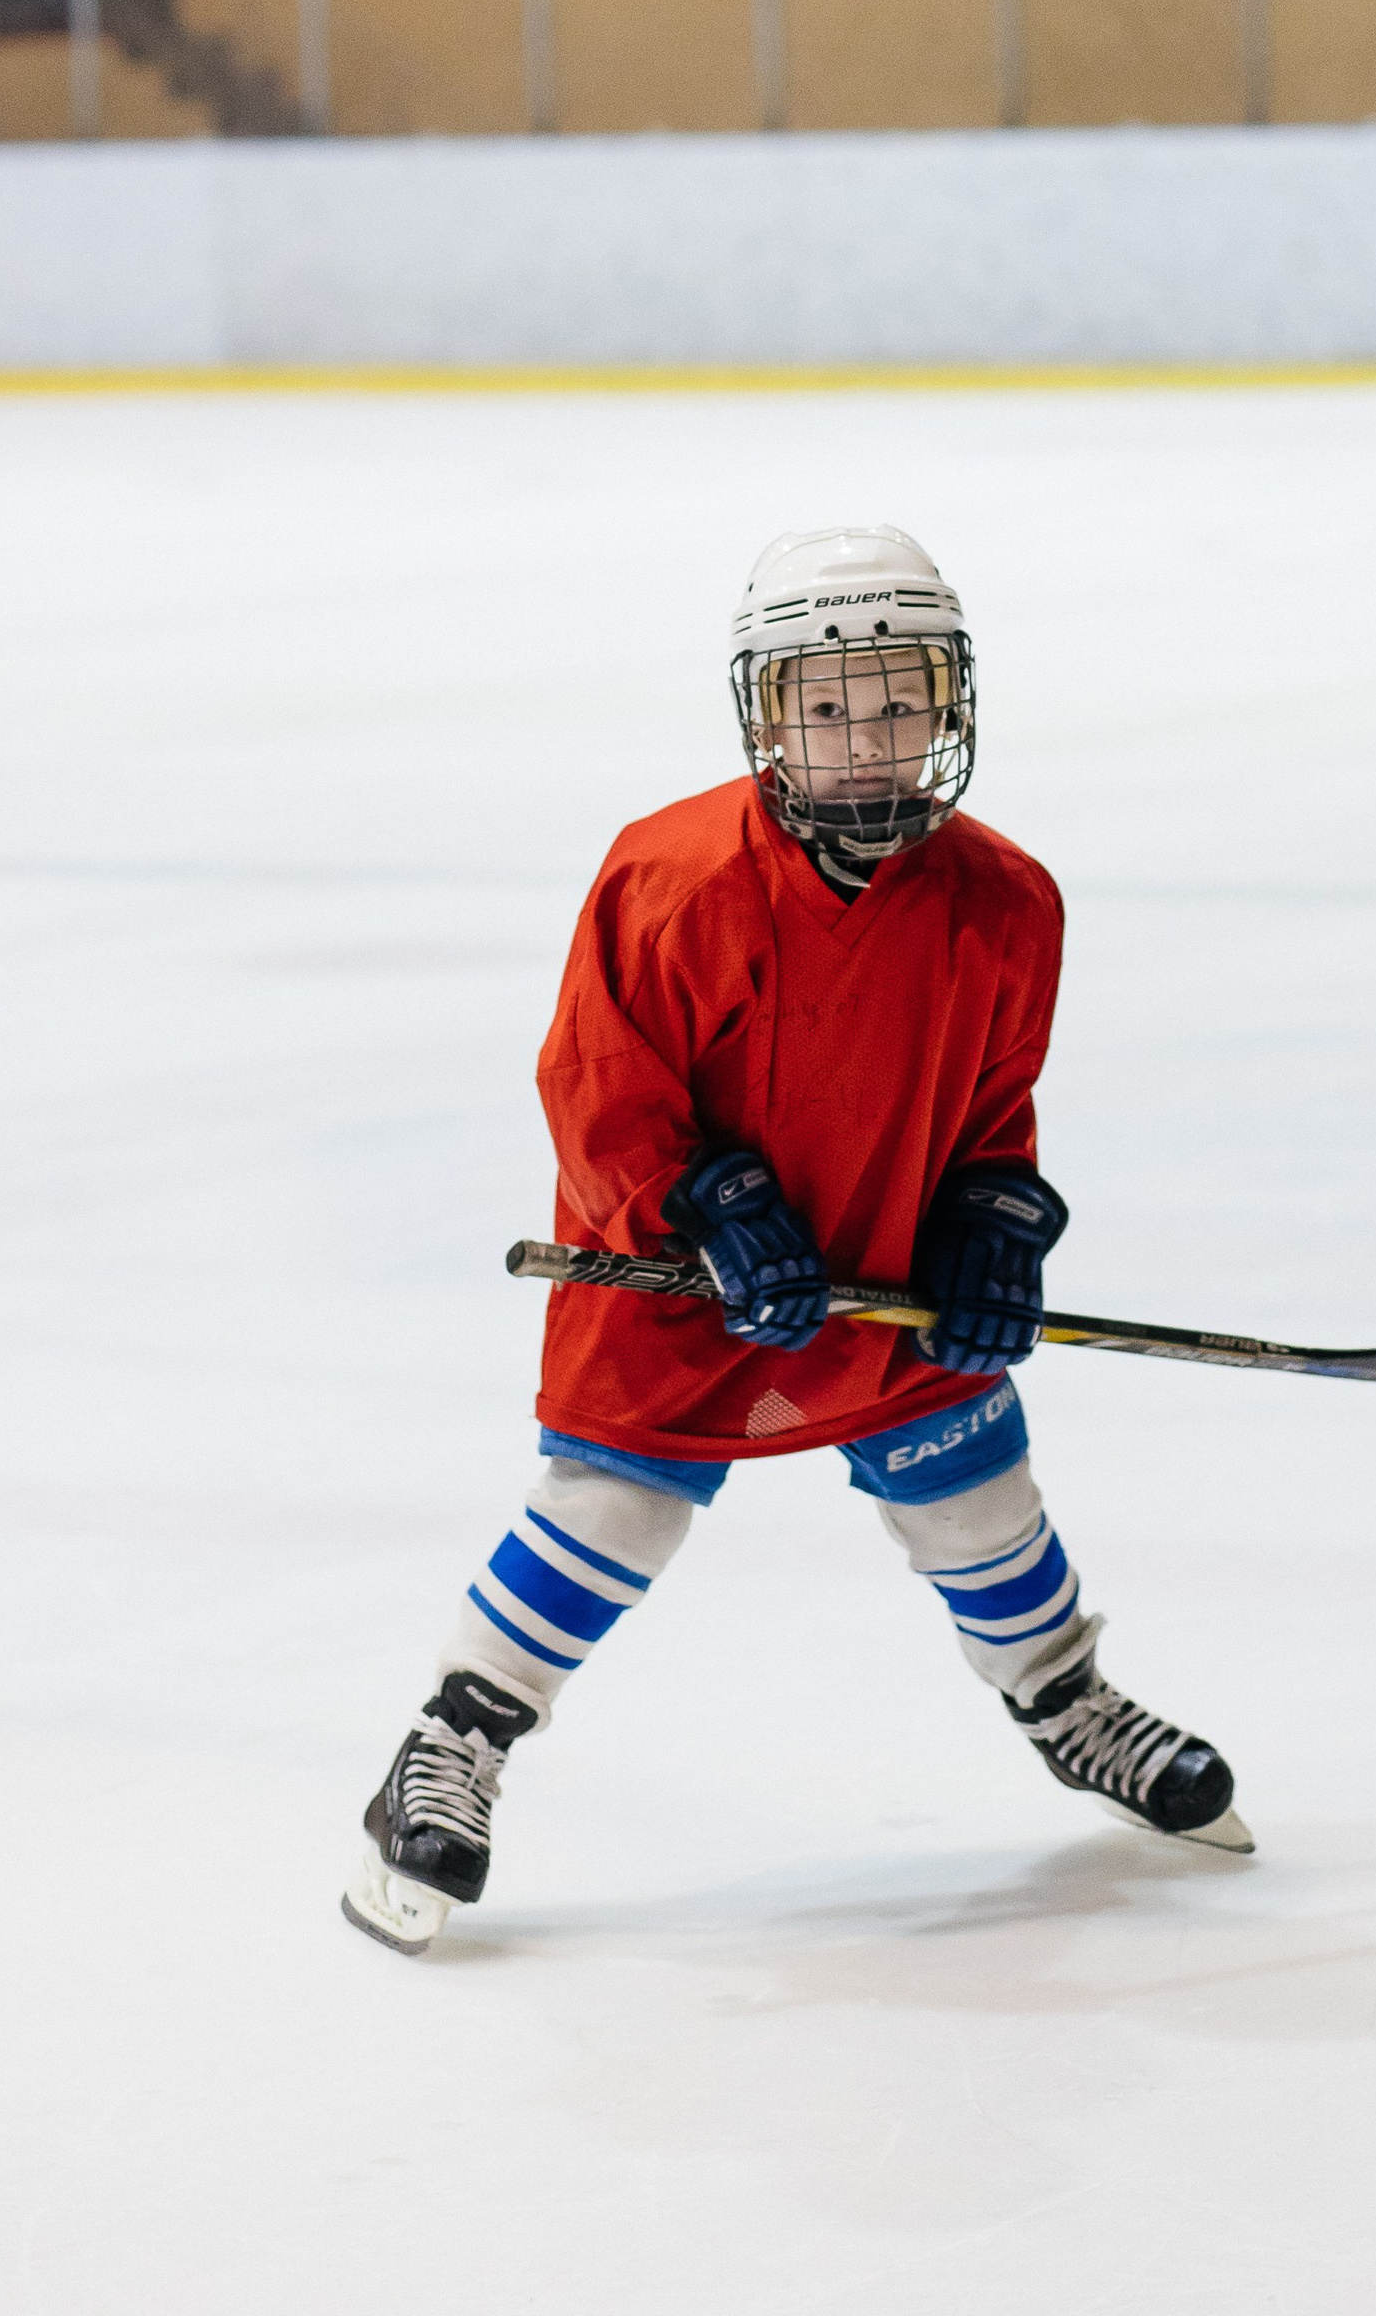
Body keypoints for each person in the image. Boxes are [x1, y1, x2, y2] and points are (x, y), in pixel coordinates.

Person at [344, 522, 1250, 1957]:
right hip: (684, 1279)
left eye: (896, 702)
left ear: (948, 702)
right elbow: (595, 1085)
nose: (863, 739)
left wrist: (992, 1221)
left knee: (975, 1489)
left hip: (887, 1268)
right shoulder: (672, 876)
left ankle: (1069, 1705)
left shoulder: (1008, 899)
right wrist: (703, 1203)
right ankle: (452, 1744)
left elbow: (993, 1100)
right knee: (614, 1508)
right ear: (766, 715)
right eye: (825, 707)